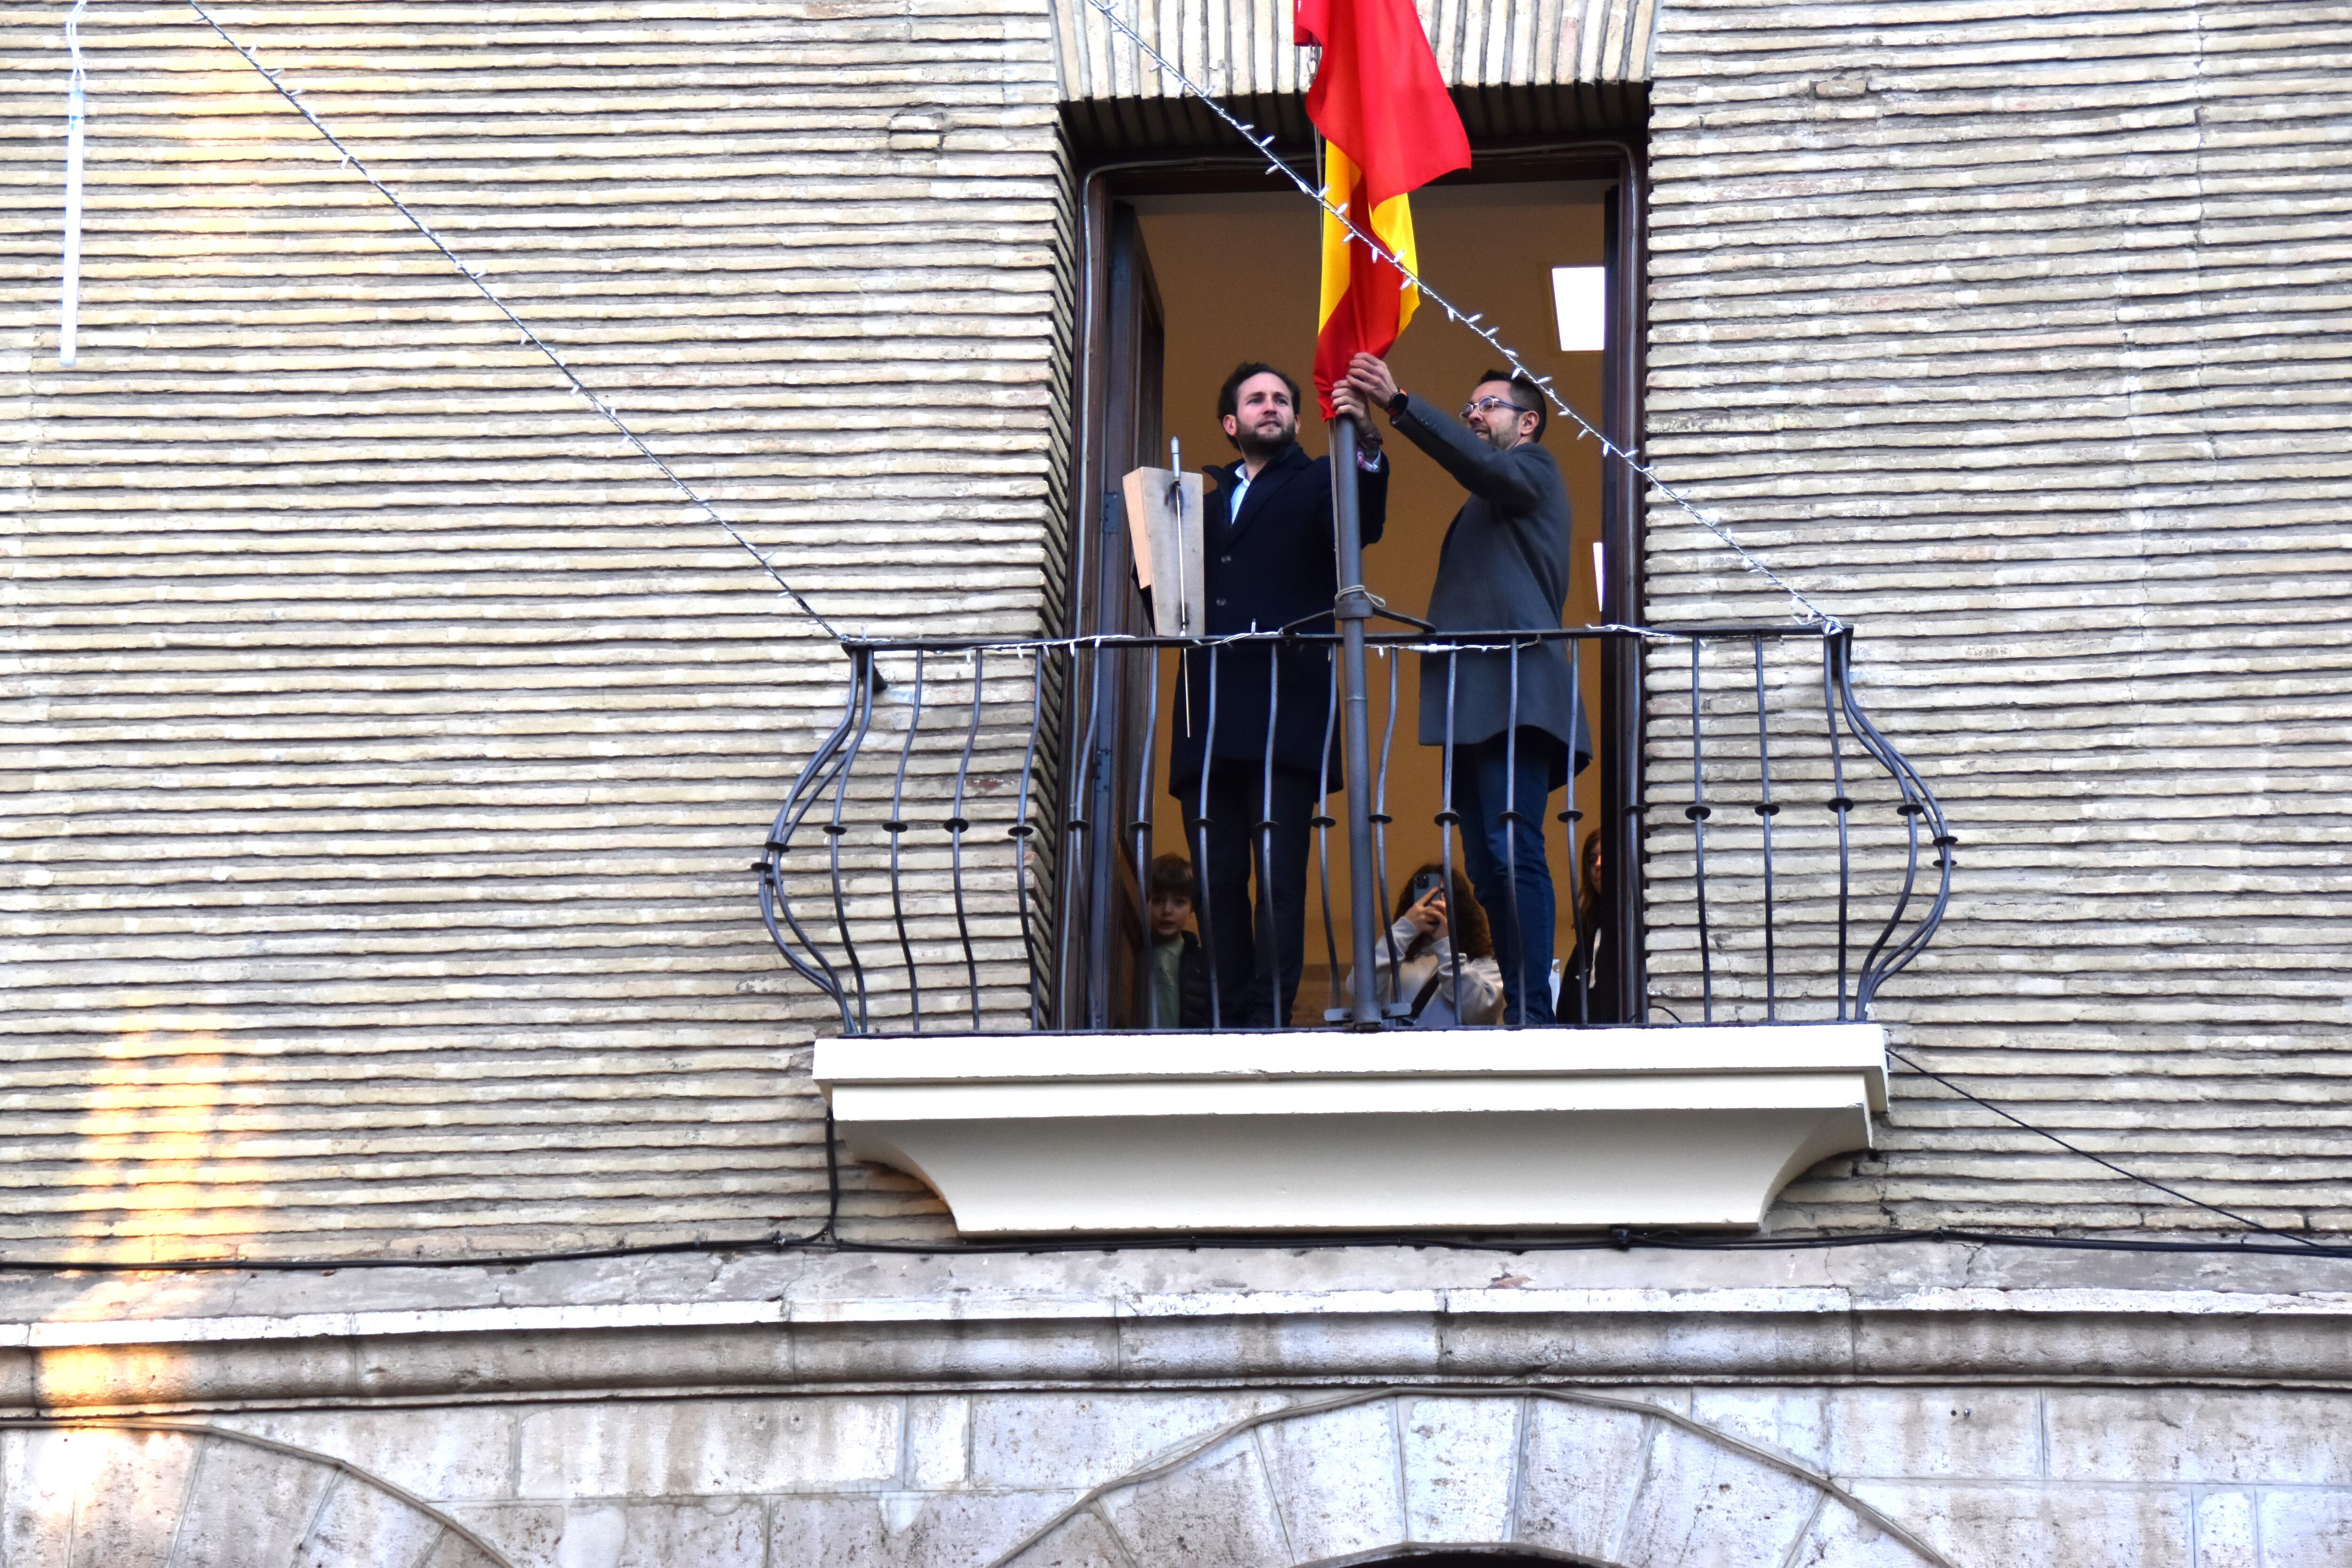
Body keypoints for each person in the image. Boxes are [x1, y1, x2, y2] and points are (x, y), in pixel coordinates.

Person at [1341, 353, 1590, 1026]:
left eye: (1488, 406)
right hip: (1473, 698)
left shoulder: (1533, 469)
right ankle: (1520, 1006)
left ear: (1529, 422)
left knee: (1514, 850)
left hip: (1517, 690)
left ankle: (1536, 1009)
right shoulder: (1486, 502)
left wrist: (1401, 405)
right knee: (1485, 867)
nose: (1475, 416)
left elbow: (1476, 465)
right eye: (1469, 409)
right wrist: (1367, 437)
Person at [1168, 362, 1389, 1027]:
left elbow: (1366, 522)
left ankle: (1268, 1015)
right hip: (1207, 716)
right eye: (1257, 399)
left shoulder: (1321, 477)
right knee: (1216, 881)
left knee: (1280, 881)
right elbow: (1166, 598)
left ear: (1297, 417)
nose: (1273, 407)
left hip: (1284, 709)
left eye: (1283, 400)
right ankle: (1227, 1015)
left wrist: (1368, 446)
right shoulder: (1198, 505)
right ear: (1231, 424)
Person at [1346, 861, 1505, 1027]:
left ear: (1459, 905)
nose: (1434, 902)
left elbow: (1480, 1013)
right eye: (1425, 896)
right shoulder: (1393, 963)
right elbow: (1358, 991)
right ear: (1413, 904)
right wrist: (1406, 928)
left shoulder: (1484, 962)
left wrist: (1446, 945)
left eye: (1442, 894)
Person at [1144, 852, 1210, 1029]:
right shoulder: (1135, 952)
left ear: (1192, 908)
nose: (1167, 910)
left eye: (1179, 902)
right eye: (1158, 901)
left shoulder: (1201, 962)